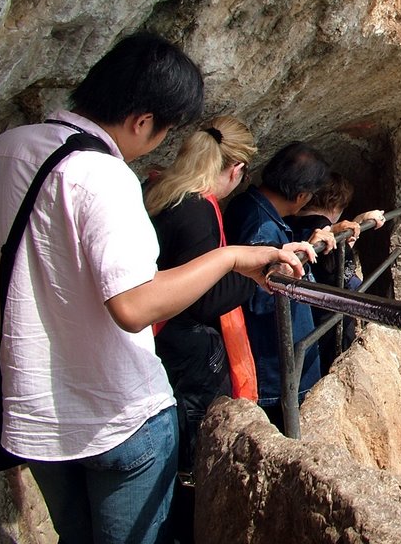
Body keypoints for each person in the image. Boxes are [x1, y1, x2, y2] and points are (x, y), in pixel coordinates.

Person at [0, 33, 308, 544]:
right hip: (117, 415)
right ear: (142, 120)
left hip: (35, 410)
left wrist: (46, 320)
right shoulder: (104, 175)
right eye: (161, 130)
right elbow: (133, 305)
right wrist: (233, 257)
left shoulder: (3, 152)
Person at [143, 115, 261, 543]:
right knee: (190, 457)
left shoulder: (158, 190)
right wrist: (253, 274)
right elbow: (205, 297)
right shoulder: (196, 211)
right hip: (184, 355)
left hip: (156, 344)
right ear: (236, 170)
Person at [224, 142, 337, 431]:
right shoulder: (261, 227)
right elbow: (261, 297)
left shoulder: (247, 205)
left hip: (277, 361)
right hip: (275, 365)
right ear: (300, 195)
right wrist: (297, 264)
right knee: (289, 433)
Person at [286, 173, 385, 372]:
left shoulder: (292, 221)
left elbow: (338, 240)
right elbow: (328, 233)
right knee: (337, 348)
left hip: (310, 305)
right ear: (334, 206)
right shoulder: (320, 224)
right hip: (332, 305)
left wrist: (359, 221)